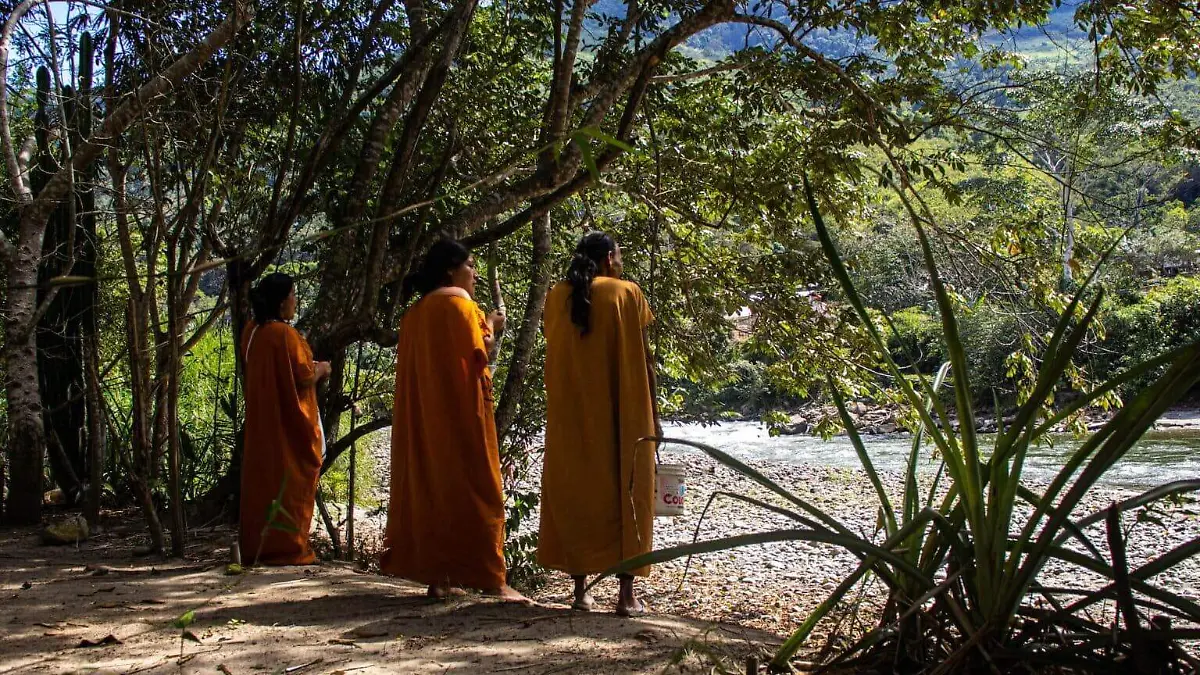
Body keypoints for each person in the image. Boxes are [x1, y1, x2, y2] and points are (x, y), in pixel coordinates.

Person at [382, 238, 526, 601]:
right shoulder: (461, 305)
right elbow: (481, 350)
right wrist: (491, 324)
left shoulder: (414, 315)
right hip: (462, 415)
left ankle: (440, 578)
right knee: (477, 487)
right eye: (471, 265)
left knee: (433, 486)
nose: (475, 274)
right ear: (451, 269)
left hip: (425, 420)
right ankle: (493, 580)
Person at [539, 231, 660, 617]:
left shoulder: (557, 296)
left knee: (578, 490)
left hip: (571, 413)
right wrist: (654, 414)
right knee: (627, 488)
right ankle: (626, 596)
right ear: (610, 258)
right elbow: (643, 358)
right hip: (621, 407)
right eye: (619, 255)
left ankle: (580, 592)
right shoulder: (626, 292)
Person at [240, 272, 331, 565]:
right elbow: (304, 376)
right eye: (293, 295)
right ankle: (290, 548)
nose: (296, 301)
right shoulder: (285, 335)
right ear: (282, 303)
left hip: (262, 419)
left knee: (263, 482)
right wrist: (323, 369)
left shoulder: (251, 331)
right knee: (291, 481)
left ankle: (259, 546)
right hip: (288, 423)